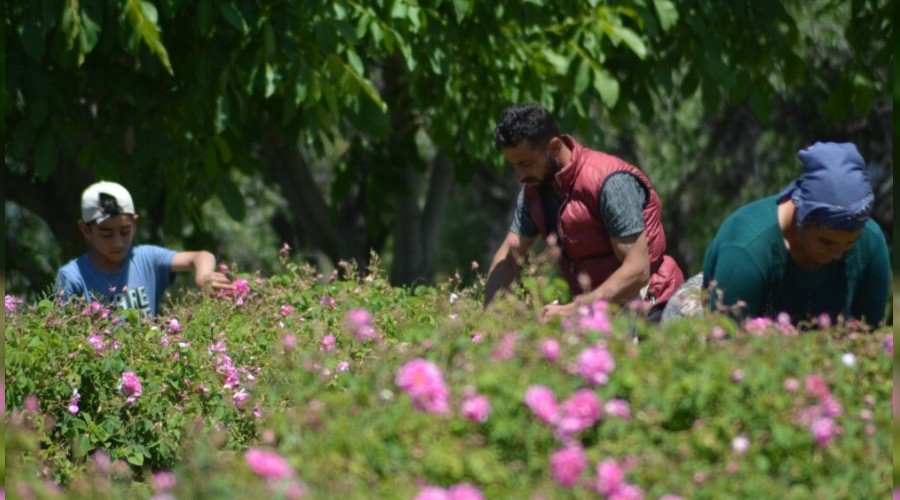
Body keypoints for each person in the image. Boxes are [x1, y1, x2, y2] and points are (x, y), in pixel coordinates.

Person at [484, 104, 684, 321]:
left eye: (526, 163)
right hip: (597, 313)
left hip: (653, 308)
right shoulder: (534, 191)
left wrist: (572, 311)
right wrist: (486, 323)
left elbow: (637, 271)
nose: (520, 175)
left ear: (553, 147)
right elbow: (509, 259)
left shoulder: (610, 183)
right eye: (514, 165)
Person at [695, 141, 890, 327]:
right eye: (826, 242)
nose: (838, 253)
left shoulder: (871, 244)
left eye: (850, 243)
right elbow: (724, 347)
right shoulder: (746, 251)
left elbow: (871, 339)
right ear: (800, 215)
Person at [54, 181, 234, 316]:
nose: (118, 243)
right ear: (86, 230)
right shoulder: (72, 277)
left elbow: (201, 256)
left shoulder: (146, 258)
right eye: (106, 234)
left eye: (125, 232)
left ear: (135, 224)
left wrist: (203, 277)